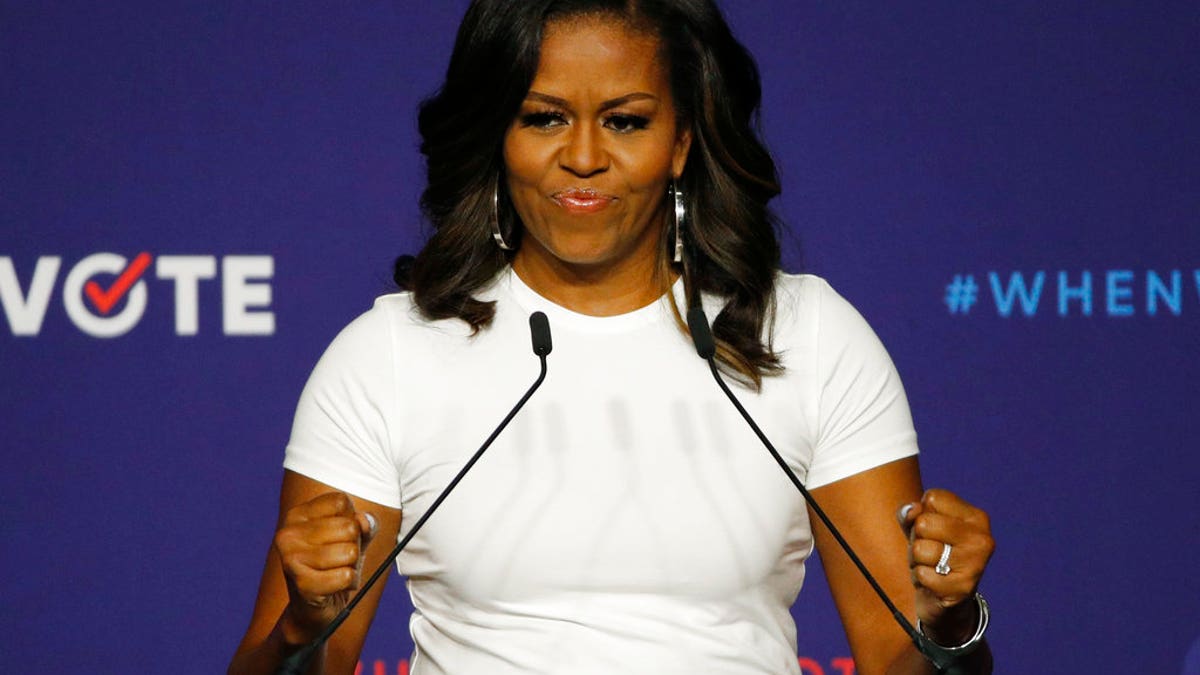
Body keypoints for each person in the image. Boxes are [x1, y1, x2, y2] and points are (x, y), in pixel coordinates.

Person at [229, 1, 996, 673]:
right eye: (544, 117)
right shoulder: (389, 355)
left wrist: (953, 619)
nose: (586, 157)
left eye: (625, 120)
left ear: (682, 143)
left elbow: (913, 659)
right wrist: (303, 622)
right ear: (500, 132)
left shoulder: (807, 336)